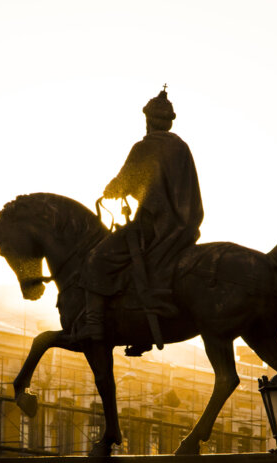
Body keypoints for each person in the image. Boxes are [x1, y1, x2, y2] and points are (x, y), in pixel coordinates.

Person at [78, 86, 204, 342]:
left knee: (96, 258)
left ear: (148, 121)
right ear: (169, 123)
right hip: (182, 226)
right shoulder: (181, 148)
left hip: (152, 225)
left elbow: (127, 180)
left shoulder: (145, 146)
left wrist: (112, 190)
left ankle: (94, 325)